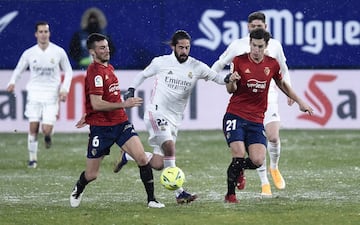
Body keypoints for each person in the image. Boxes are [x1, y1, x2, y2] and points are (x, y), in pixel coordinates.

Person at [113, 30, 226, 204]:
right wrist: (131, 89)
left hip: (174, 119)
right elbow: (143, 74)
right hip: (156, 112)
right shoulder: (161, 62)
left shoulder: (196, 66)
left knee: (159, 164)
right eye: (181, 47)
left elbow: (216, 77)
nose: (184, 51)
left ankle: (127, 155)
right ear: (173, 46)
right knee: (169, 146)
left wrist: (230, 78)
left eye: (187, 47)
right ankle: (179, 193)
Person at [69, 33, 164, 209]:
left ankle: (152, 199)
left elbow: (99, 99)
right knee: (92, 174)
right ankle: (79, 187)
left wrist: (87, 112)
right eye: (102, 48)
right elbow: (97, 103)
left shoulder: (109, 68)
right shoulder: (95, 72)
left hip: (120, 123)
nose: (107, 50)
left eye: (107, 46)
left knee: (142, 158)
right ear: (92, 51)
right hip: (101, 129)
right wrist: (124, 103)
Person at [222, 28, 313, 203]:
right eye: (254, 46)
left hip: (256, 119)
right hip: (235, 115)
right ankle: (230, 195)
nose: (256, 50)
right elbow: (230, 90)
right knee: (239, 154)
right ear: (250, 44)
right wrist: (231, 80)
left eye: (260, 46)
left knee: (257, 160)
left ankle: (240, 169)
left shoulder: (272, 64)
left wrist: (300, 102)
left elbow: (282, 84)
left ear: (266, 46)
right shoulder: (238, 61)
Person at [212, 11, 294, 196]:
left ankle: (274, 167)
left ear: (265, 27)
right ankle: (263, 182)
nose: (257, 29)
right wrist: (212, 77)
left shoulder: (275, 46)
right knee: (245, 151)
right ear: (248, 28)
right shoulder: (238, 47)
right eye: (253, 26)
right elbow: (220, 63)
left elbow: (283, 70)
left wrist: (291, 93)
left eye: (260, 26)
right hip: (246, 100)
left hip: (269, 97)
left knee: (272, 137)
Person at [7, 21, 73, 169]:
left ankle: (48, 136)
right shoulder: (29, 53)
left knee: (46, 129)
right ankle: (32, 159)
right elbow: (19, 69)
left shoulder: (58, 52)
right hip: (34, 94)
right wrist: (12, 82)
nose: (44, 34)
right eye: (41, 32)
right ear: (36, 34)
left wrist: (64, 89)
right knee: (33, 127)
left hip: (51, 95)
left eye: (46, 31)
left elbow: (68, 71)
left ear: (49, 33)